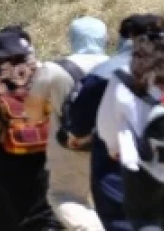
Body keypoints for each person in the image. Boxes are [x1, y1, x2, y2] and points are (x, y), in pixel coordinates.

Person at [69, 15, 164, 230]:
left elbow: (106, 127)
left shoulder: (123, 75)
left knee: (142, 222)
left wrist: (114, 148)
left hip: (139, 167)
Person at [24, 17, 110, 231]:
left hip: (70, 147)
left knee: (64, 196)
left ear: (72, 38)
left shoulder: (53, 69)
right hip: (113, 145)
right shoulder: (120, 67)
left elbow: (32, 112)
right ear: (104, 38)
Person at [0, 30, 58, 230]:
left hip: (0, 157)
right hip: (43, 154)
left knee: (6, 210)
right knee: (44, 208)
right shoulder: (46, 74)